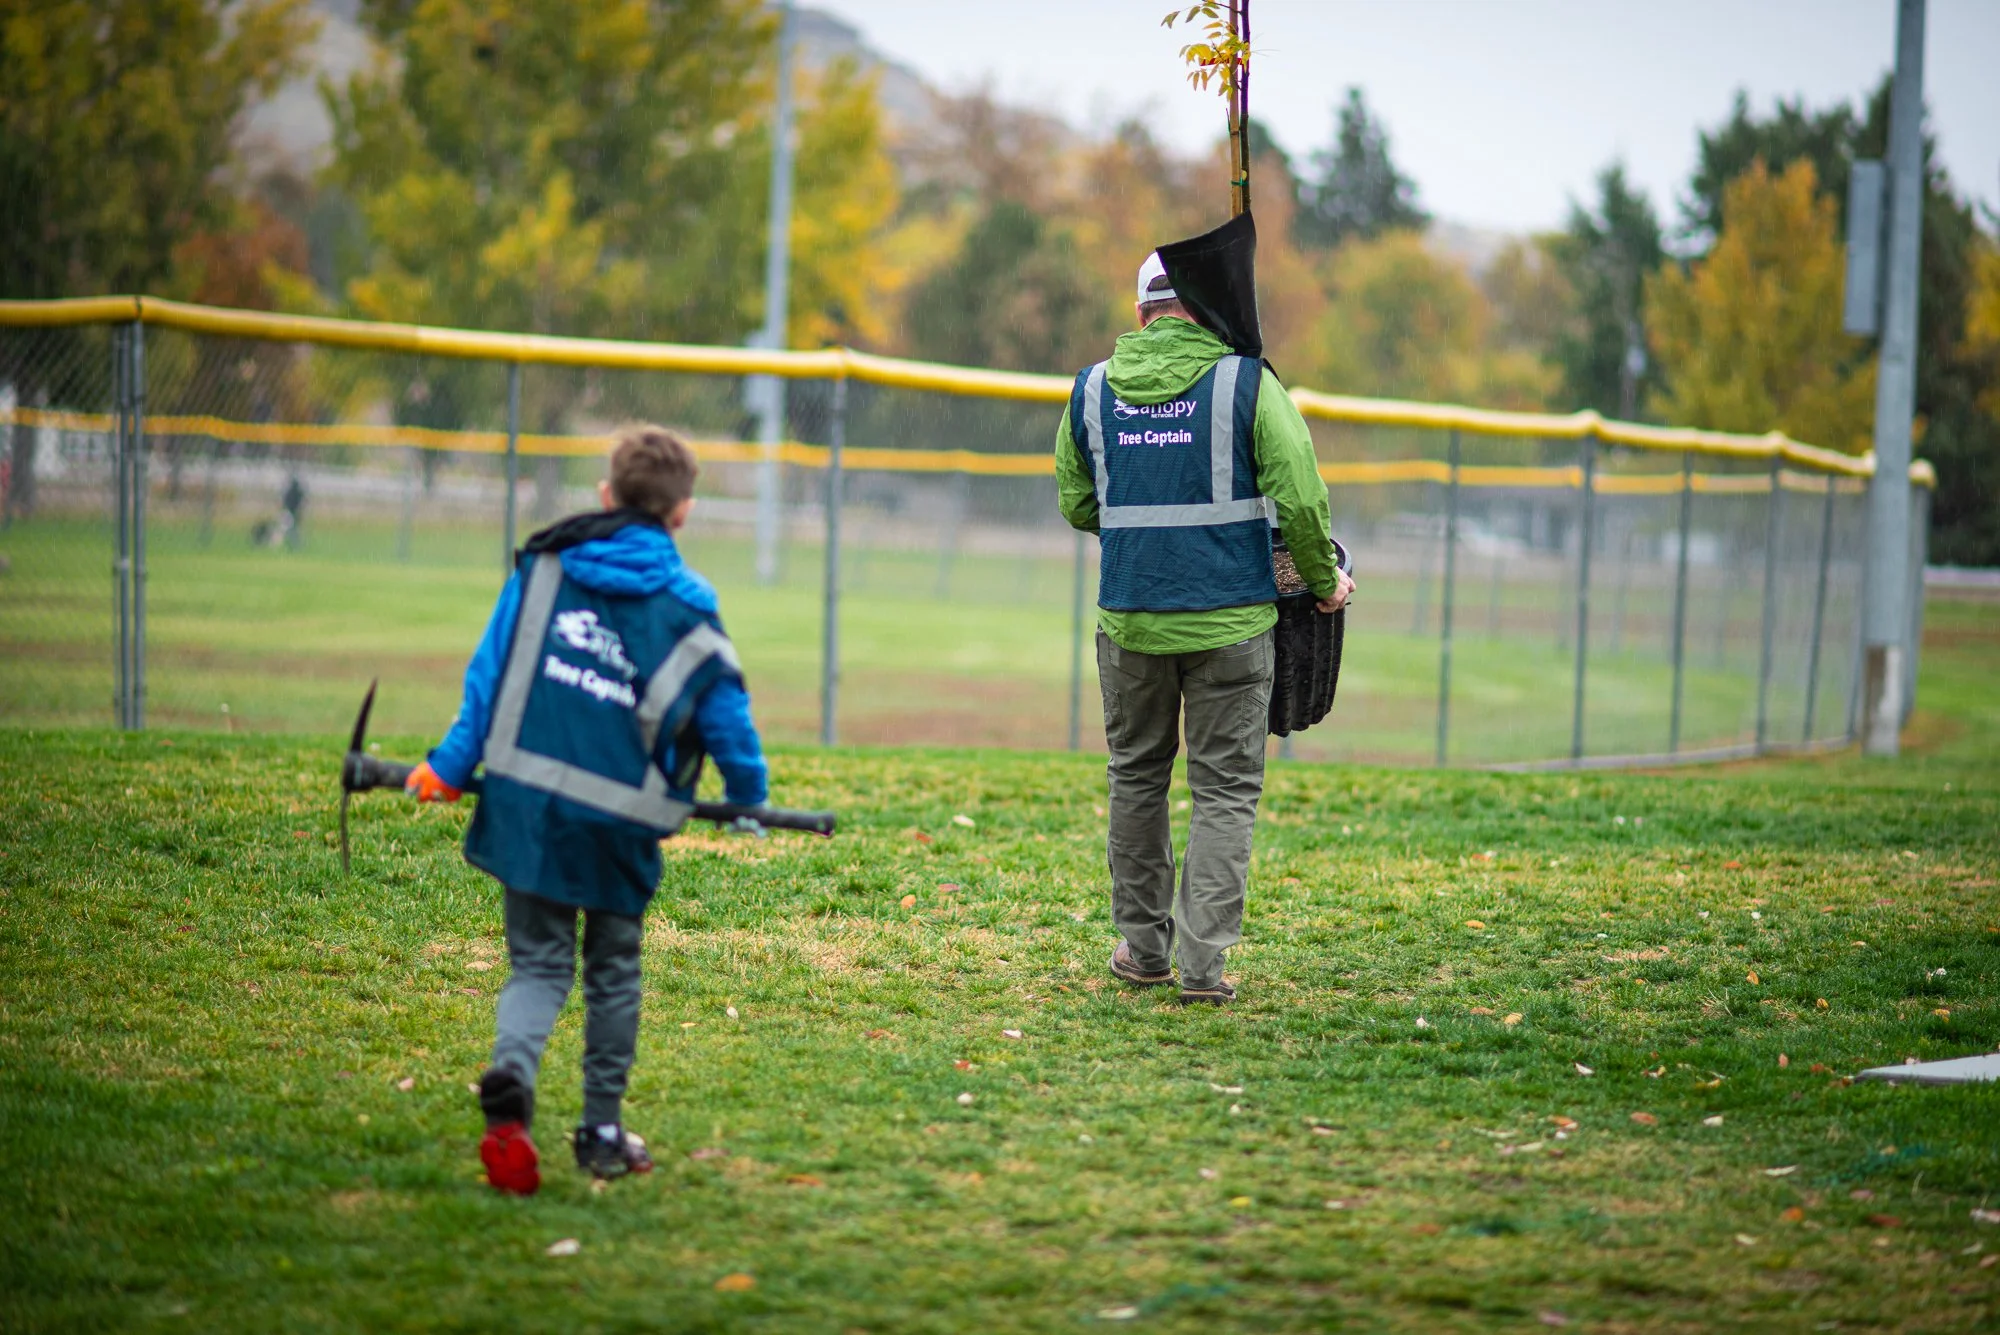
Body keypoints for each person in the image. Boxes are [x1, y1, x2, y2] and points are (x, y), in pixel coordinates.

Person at [404, 424, 769, 1194]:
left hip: (526, 809)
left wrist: (445, 768)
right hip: (617, 826)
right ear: (683, 512)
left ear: (607, 496)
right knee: (611, 971)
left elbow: (488, 676)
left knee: (537, 963)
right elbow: (724, 712)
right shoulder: (688, 602)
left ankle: (511, 1082)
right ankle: (601, 1127)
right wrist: (747, 797)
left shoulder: (545, 566)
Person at [1055, 252, 1354, 1006]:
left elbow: (1078, 503)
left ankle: (1143, 950)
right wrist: (1325, 584)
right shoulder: (1250, 383)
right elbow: (1303, 498)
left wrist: (1144, 524)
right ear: (1205, 308)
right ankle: (1203, 970)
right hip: (1232, 627)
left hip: (1130, 621)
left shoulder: (1090, 391)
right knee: (1224, 791)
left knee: (1137, 775)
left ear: (1142, 314)